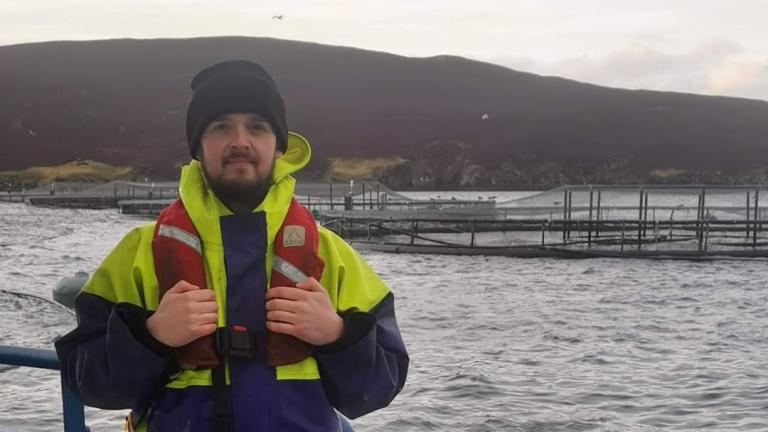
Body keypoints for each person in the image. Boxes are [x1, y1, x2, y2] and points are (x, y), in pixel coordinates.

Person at [55, 60, 409, 432]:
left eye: (257, 127)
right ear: (198, 146)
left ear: (278, 146)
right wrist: (151, 336)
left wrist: (337, 335)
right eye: (221, 126)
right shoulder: (140, 251)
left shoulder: (329, 254)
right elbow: (86, 380)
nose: (240, 141)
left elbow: (380, 387)